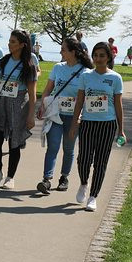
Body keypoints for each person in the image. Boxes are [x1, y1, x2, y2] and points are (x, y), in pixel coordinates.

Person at [68, 42, 125, 212]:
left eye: (102, 55)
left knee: (101, 162)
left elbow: (118, 104)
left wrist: (121, 129)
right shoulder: (86, 76)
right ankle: (84, 183)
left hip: (107, 125)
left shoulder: (115, 78)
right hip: (87, 123)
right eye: (95, 55)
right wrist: (74, 123)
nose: (98, 59)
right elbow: (79, 101)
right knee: (83, 159)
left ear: (108, 58)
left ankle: (93, 196)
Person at [0, 29, 37, 189]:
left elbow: (32, 94)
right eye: (9, 41)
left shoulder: (28, 65)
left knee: (14, 143)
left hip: (19, 104)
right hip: (1, 104)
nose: (9, 44)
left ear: (22, 45)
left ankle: (10, 177)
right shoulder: (4, 61)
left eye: (13, 41)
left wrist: (31, 116)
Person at [36, 37, 91, 194]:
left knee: (68, 148)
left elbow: (86, 97)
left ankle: (64, 177)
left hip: (74, 117)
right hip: (56, 114)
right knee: (52, 146)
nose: (60, 52)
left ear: (73, 52)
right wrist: (42, 105)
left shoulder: (85, 72)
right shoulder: (57, 67)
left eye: (63, 49)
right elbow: (48, 89)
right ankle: (46, 180)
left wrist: (80, 116)